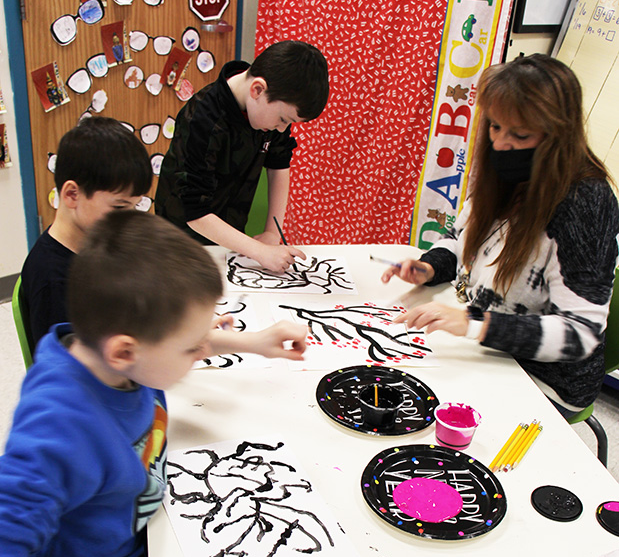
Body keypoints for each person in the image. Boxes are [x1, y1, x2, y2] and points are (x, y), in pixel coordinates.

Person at [0, 211, 307, 557]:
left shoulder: (100, 346)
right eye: (190, 348)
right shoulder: (59, 430)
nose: (200, 351)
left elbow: (172, 337)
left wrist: (254, 342)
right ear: (125, 351)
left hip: (133, 533)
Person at [383, 54, 619, 417]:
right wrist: (429, 267)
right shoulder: (505, 169)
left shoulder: (584, 202)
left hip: (545, 378)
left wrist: (473, 323)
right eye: (494, 127)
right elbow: (462, 238)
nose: (501, 144)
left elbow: (580, 333)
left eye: (519, 134)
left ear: (557, 133)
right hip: (490, 345)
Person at [155, 40, 329, 273]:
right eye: (283, 120)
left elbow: (279, 164)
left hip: (229, 241)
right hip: (180, 244)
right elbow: (194, 212)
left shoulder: (270, 107)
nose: (281, 129)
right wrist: (259, 251)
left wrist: (272, 232)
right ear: (257, 89)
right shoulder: (202, 118)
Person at [20, 117, 152, 351]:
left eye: (134, 207)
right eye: (120, 207)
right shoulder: (54, 280)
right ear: (72, 194)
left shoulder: (97, 244)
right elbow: (71, 375)